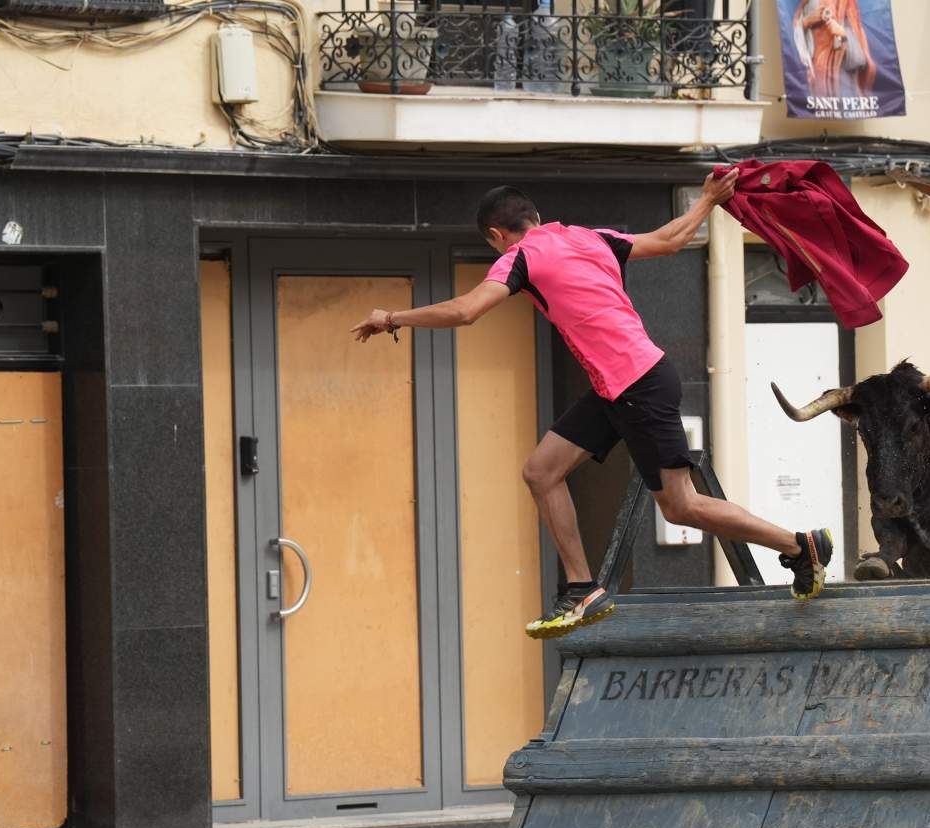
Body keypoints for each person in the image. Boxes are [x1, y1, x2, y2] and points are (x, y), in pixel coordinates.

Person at [352, 168, 832, 639]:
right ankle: (583, 588)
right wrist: (706, 201)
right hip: (617, 385)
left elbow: (466, 311)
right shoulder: (586, 237)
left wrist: (392, 317)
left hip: (637, 384)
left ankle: (799, 544)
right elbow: (668, 241)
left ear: (498, 236)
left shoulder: (519, 256)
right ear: (536, 215)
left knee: (681, 506)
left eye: (495, 243)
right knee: (541, 471)